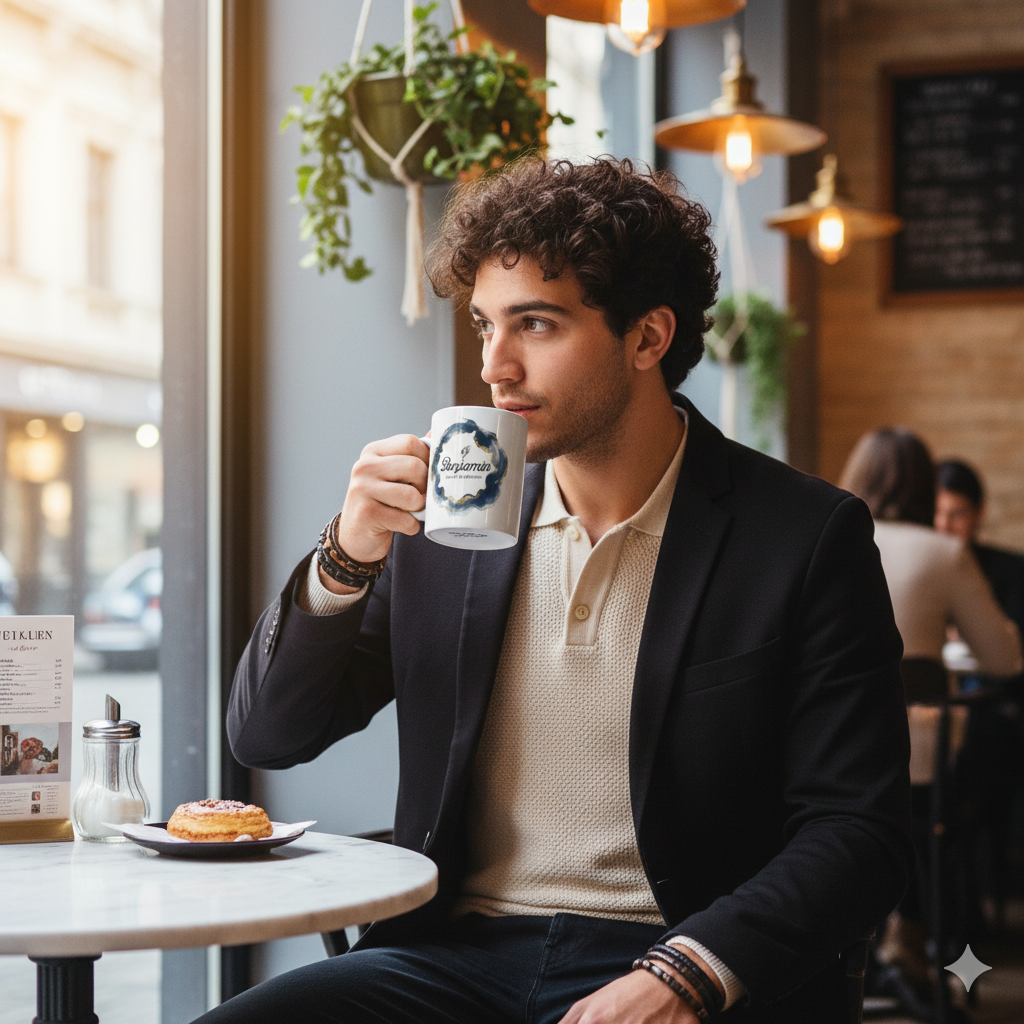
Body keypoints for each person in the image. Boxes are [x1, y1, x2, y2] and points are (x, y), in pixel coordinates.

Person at [202, 158, 913, 1024]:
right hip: (449, 959)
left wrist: (687, 976)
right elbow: (270, 734)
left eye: (534, 324)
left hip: (677, 957)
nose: (495, 366)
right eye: (483, 325)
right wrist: (347, 556)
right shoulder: (439, 531)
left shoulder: (803, 536)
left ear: (648, 339)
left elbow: (858, 831)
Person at [935, 458, 1024, 929]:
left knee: (974, 755)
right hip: (939, 711)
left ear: (978, 513)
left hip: (995, 710)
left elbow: (1011, 658)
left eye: (957, 515)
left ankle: (960, 915)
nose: (946, 527)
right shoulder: (928, 568)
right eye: (938, 514)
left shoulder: (1008, 572)